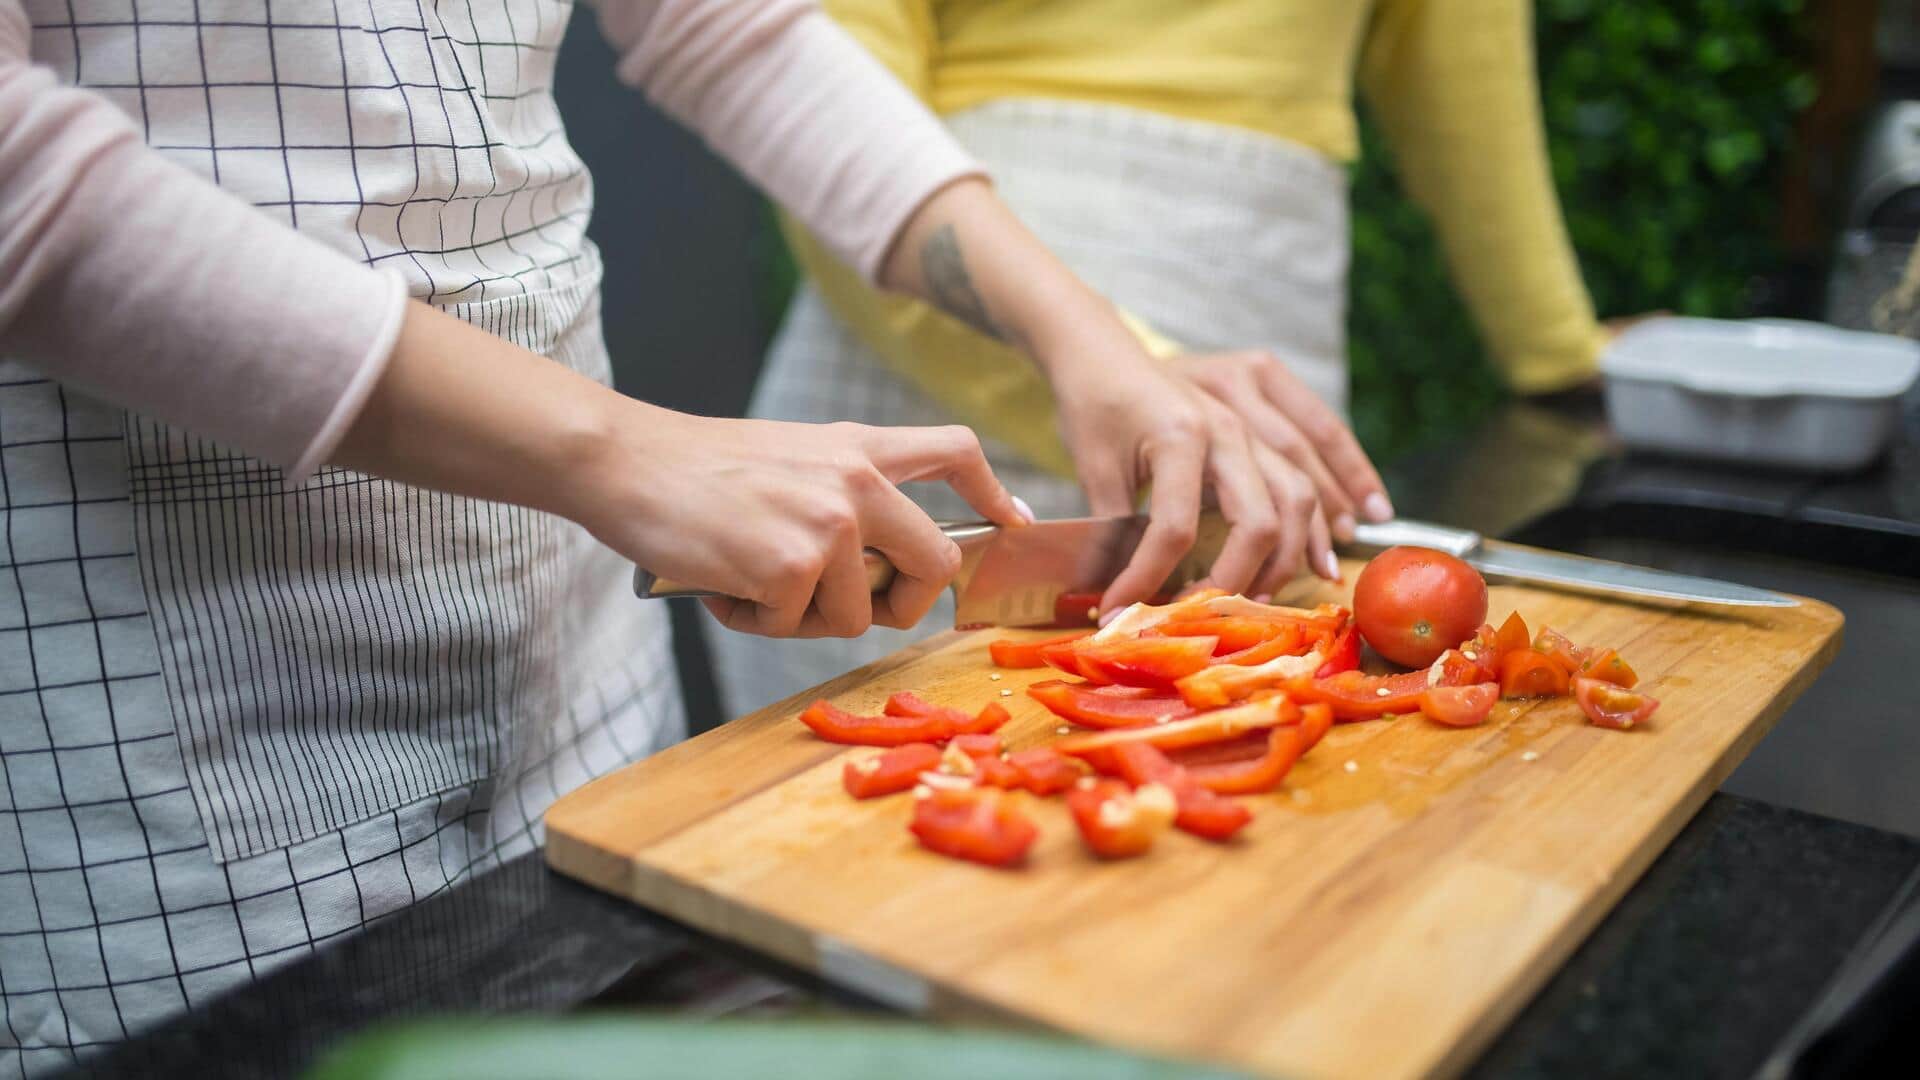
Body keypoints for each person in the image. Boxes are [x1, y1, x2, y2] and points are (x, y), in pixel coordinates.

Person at [0, 0, 1327, 1071]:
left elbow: (728, 21)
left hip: (580, 631)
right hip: (189, 662)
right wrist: (626, 451)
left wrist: (1084, 336)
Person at [706, 0, 1613, 717]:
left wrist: (1562, 361)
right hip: (928, 310)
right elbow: (824, 102)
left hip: (1257, 311)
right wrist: (1134, 361)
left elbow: (1464, 68)